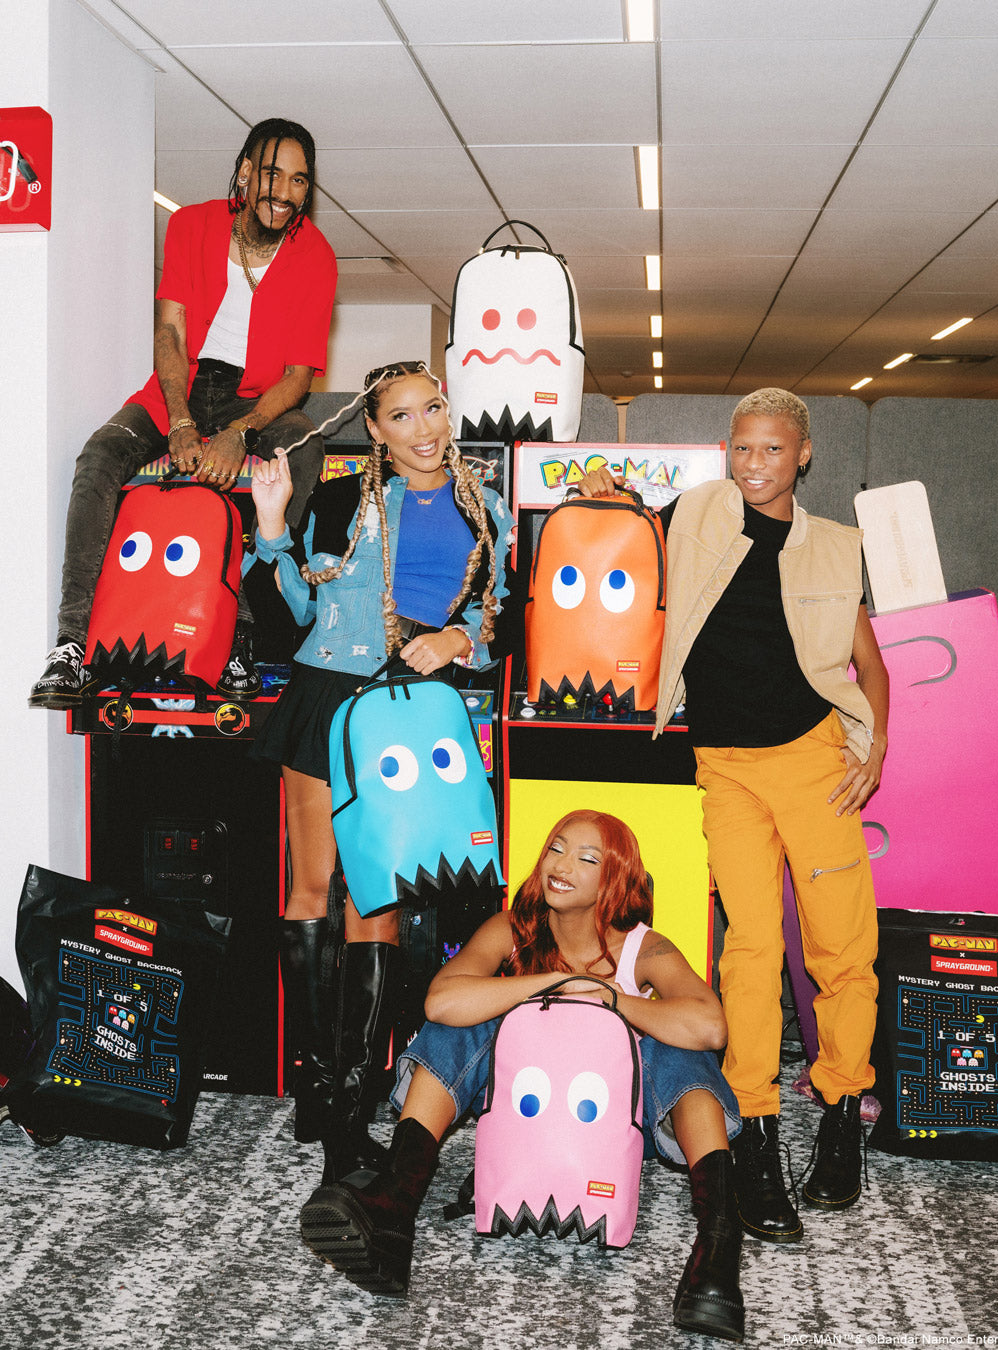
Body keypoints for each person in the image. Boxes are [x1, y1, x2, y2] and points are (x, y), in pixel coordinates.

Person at [579, 388, 889, 1244]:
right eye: (743, 448)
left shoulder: (835, 547)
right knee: (749, 948)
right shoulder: (700, 513)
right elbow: (629, 513)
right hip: (724, 765)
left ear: (804, 454)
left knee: (840, 945)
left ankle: (840, 1108)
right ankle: (755, 1126)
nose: (755, 464)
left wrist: (876, 746)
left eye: (773, 450)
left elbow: (868, 662)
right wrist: (603, 485)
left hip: (814, 761)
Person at [298, 809, 746, 1343]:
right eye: (556, 848)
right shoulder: (512, 928)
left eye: (587, 859)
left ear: (615, 880)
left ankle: (718, 1242)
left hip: (611, 1125)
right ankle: (395, 1205)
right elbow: (441, 1001)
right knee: (463, 1023)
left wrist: (612, 999)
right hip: (521, 1108)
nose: (563, 865)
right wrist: (550, 983)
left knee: (681, 1048)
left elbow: (711, 1026)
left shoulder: (643, 947)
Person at [246, 359, 513, 1185]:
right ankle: (316, 1088)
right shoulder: (339, 501)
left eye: (433, 408)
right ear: (374, 429)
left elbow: (497, 616)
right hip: (329, 696)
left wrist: (457, 640)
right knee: (313, 890)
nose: (424, 428)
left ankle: (352, 1104)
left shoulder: (487, 509)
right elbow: (292, 612)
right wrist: (271, 525)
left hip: (410, 714)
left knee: (380, 900)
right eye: (402, 416)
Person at [29, 117, 337, 709]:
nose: (284, 192)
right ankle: (71, 645)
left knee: (302, 449)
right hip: (183, 385)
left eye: (299, 181)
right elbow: (170, 331)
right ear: (245, 173)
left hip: (257, 398)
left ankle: (243, 637)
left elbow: (298, 377)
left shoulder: (317, 257)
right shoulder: (191, 224)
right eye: (272, 174)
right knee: (100, 454)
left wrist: (239, 433)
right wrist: (180, 421)